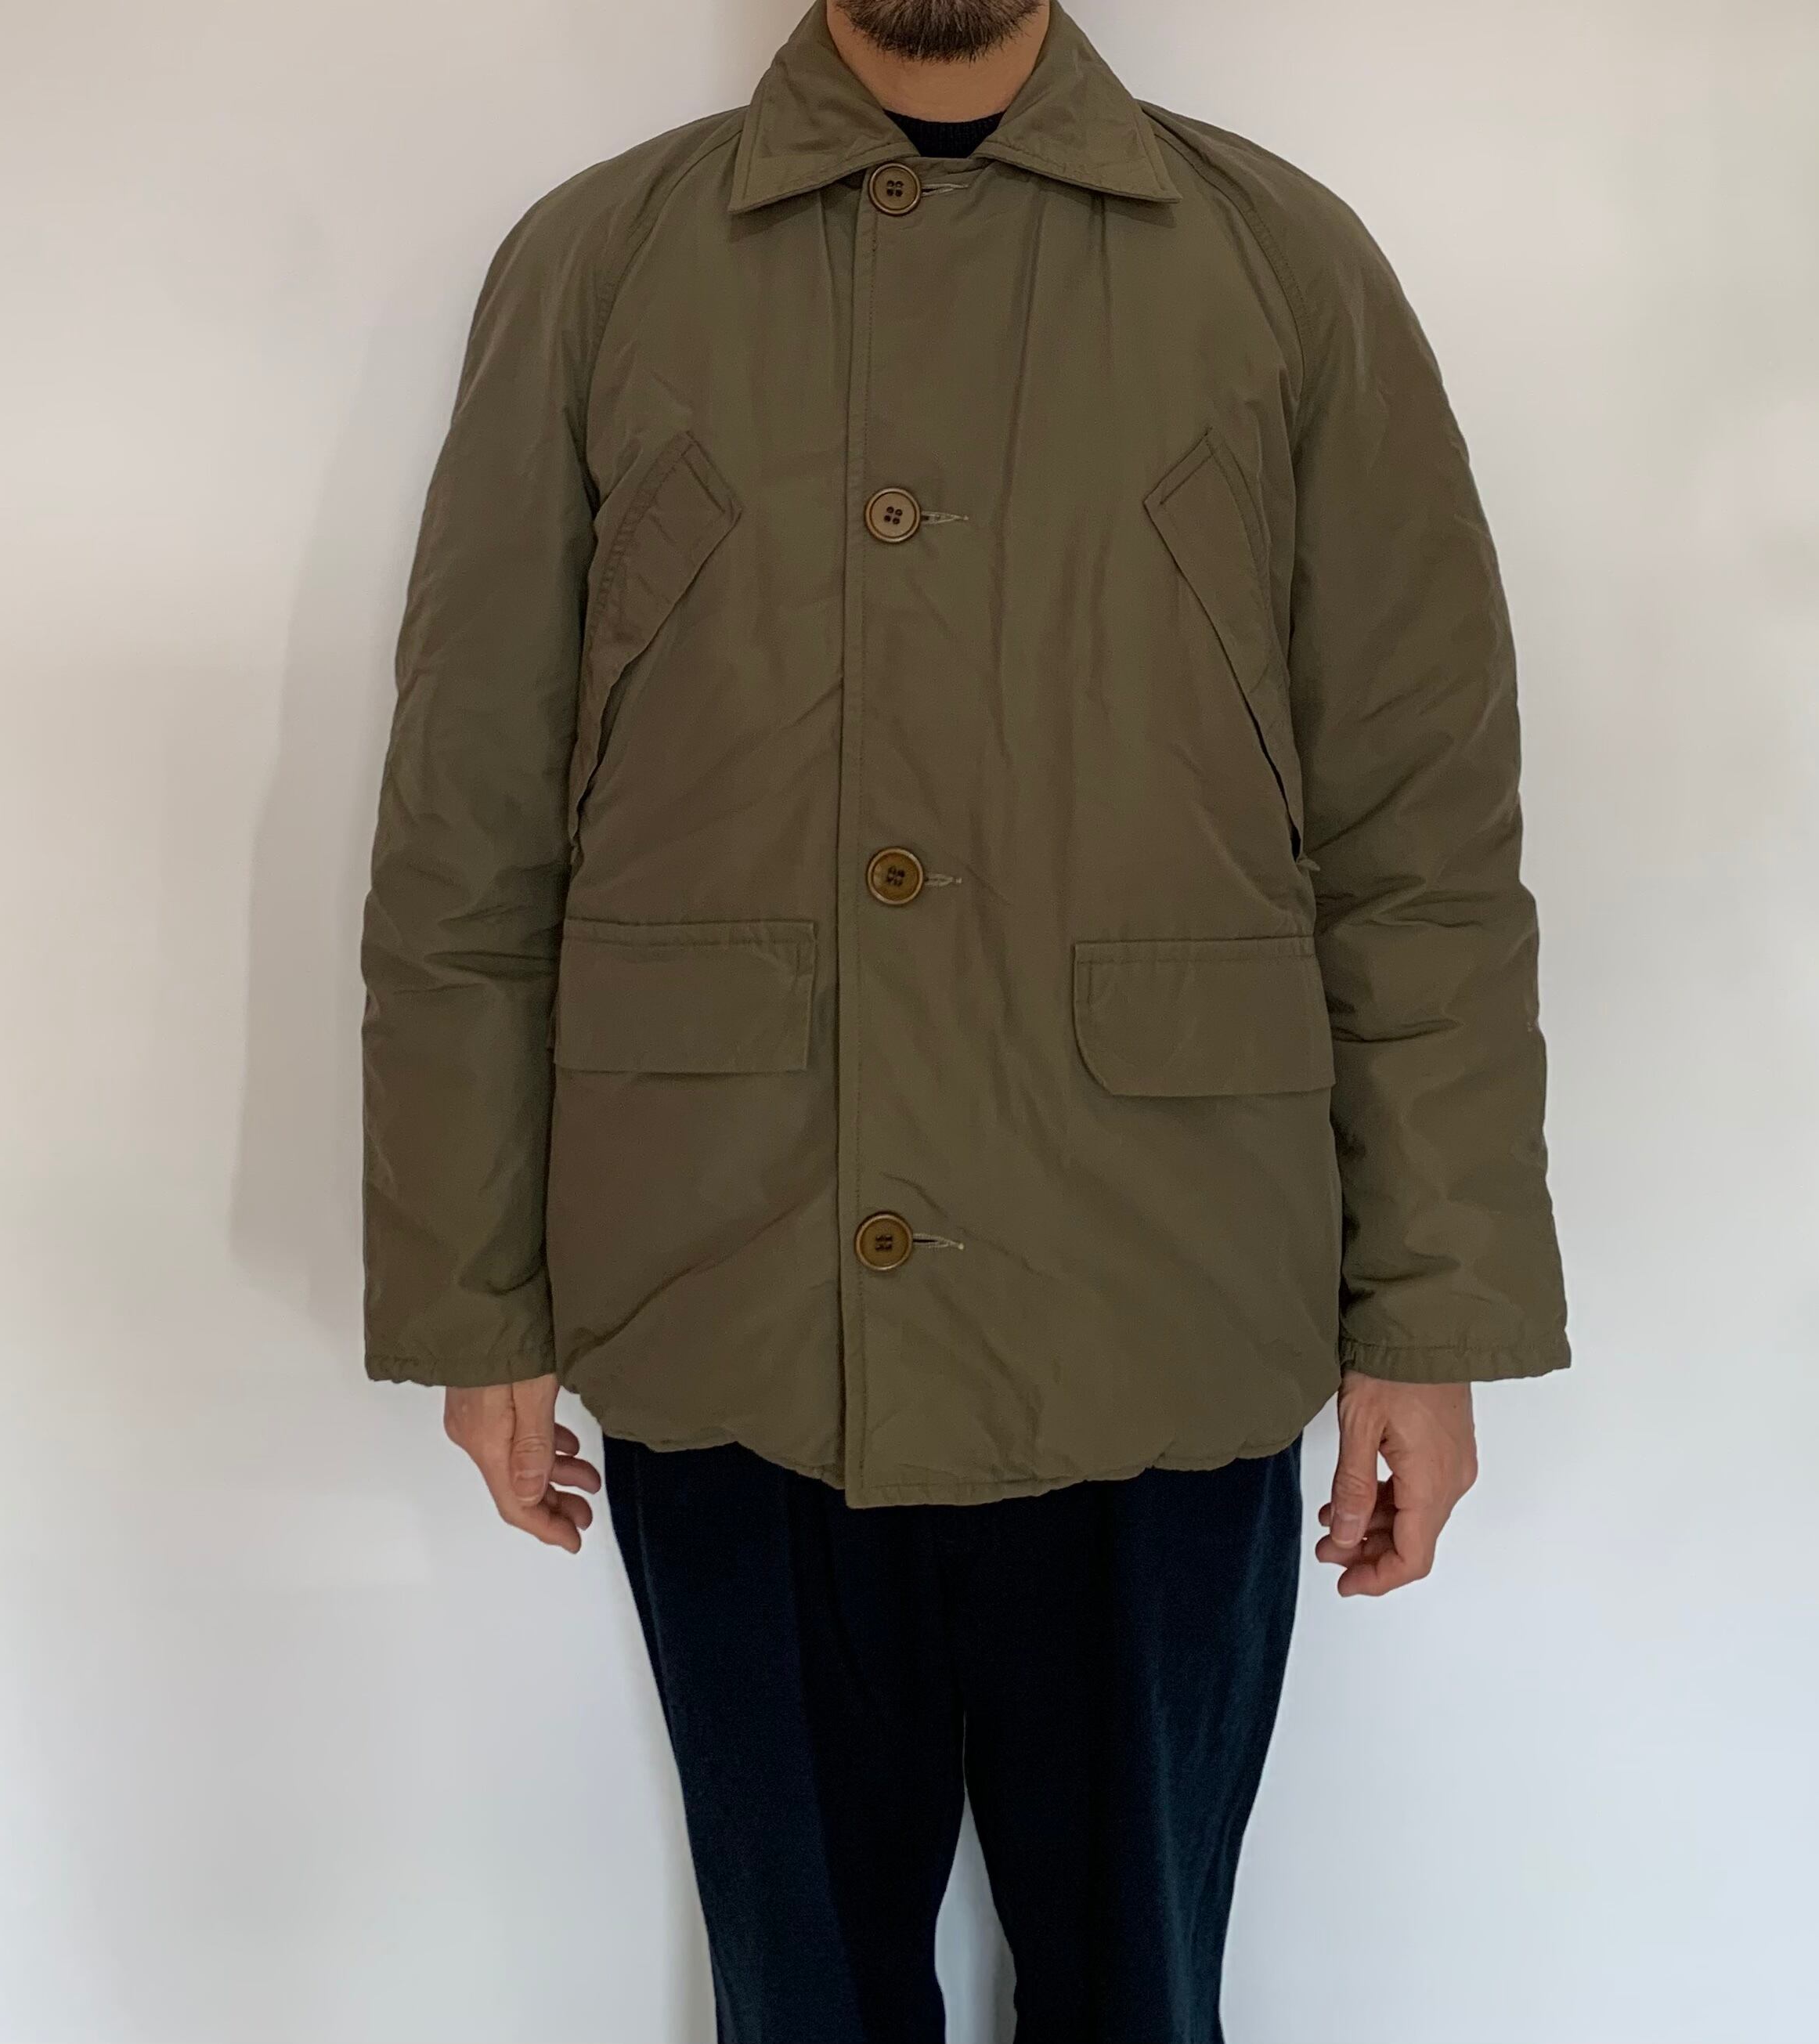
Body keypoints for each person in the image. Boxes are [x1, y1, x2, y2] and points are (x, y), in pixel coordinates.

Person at [359, 0, 1569, 2035]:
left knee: (1139, 1994)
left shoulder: (1282, 268)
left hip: (1165, 1297)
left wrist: (1427, 1319)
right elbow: (466, 832)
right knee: (801, 2001)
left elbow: (1418, 838)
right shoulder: (597, 268)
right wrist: (477, 1302)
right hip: (728, 1297)